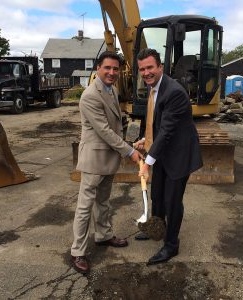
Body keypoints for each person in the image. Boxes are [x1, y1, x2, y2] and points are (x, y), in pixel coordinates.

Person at [71, 51, 143, 274]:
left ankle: (103, 235)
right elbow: (103, 130)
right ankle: (78, 251)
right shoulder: (90, 95)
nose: (112, 72)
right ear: (98, 69)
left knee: (103, 201)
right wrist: (129, 150)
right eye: (107, 68)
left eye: (115, 68)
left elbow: (116, 124)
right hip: (94, 158)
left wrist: (131, 140)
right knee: (85, 207)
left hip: (108, 156)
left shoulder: (112, 89)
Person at [135, 48, 203, 265]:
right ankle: (156, 228)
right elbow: (154, 123)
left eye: (150, 67)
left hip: (179, 155)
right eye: (142, 69)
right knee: (157, 195)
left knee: (172, 201)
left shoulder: (173, 91)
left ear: (160, 67)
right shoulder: (153, 88)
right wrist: (144, 141)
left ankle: (171, 245)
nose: (146, 73)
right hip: (163, 152)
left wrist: (147, 162)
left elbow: (167, 131)